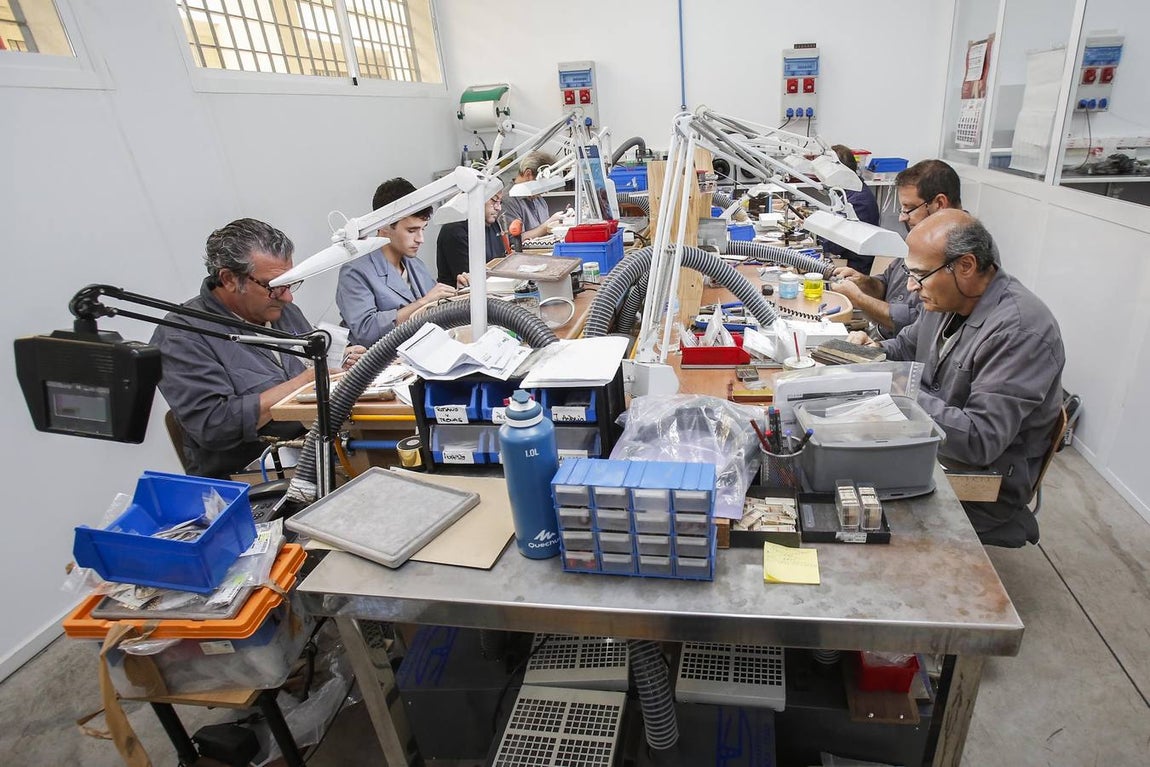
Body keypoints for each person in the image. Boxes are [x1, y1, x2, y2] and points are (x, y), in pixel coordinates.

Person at [848, 210, 1065, 547]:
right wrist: (869, 352)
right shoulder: (948, 298)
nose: (910, 286)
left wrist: (897, 386)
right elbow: (906, 346)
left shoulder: (1021, 331)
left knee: (847, 494)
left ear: (965, 266)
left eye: (920, 275)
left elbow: (980, 440)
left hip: (981, 481)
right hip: (932, 445)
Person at [152, 218, 366, 479]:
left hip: (317, 451)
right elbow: (214, 425)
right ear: (229, 279)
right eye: (273, 287)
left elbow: (310, 366)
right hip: (253, 478)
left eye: (291, 283)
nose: (288, 297)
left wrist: (340, 363)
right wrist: (302, 383)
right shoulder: (182, 336)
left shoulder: (283, 312)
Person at [832, 159, 962, 339]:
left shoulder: (959, 252)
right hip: (883, 340)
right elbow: (886, 284)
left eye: (909, 209)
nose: (902, 218)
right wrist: (862, 282)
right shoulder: (921, 236)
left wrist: (860, 299)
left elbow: (916, 326)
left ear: (939, 203)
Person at [336, 177, 457, 347]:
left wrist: (457, 293)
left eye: (423, 229)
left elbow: (435, 307)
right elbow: (367, 331)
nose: (420, 239)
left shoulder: (415, 265)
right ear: (384, 226)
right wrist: (423, 303)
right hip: (381, 364)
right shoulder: (355, 272)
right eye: (411, 230)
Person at [818, 144, 881, 274]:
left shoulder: (858, 202)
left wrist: (816, 235)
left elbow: (836, 246)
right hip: (845, 260)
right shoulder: (849, 191)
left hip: (854, 268)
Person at [436, 191, 505, 287]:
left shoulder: (492, 224)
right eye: (494, 200)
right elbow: (470, 280)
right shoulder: (455, 231)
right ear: (475, 199)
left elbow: (501, 260)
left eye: (500, 202)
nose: (498, 208)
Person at [501, 150, 566, 241]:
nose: (545, 192)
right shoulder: (507, 201)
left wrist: (562, 222)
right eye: (543, 185)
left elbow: (546, 234)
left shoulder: (538, 199)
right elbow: (514, 241)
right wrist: (546, 225)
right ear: (528, 174)